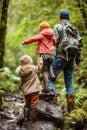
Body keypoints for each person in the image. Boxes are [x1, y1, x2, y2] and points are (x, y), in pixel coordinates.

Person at [48, 9, 83, 112]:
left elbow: (54, 42)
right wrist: (76, 62)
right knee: (69, 83)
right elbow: (79, 46)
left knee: (51, 79)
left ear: (60, 17)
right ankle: (71, 109)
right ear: (68, 18)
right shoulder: (74, 29)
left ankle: (53, 108)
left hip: (59, 57)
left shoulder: (57, 27)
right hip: (71, 59)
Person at [22, 22, 56, 92]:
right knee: (49, 64)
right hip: (51, 54)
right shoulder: (52, 35)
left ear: (41, 29)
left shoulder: (42, 35)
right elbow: (55, 42)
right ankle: (52, 74)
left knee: (44, 70)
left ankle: (46, 86)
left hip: (44, 54)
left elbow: (33, 38)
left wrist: (25, 42)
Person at [16, 55, 43, 124]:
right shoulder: (33, 68)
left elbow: (21, 82)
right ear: (30, 61)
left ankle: (25, 118)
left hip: (26, 91)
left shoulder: (21, 71)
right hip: (34, 90)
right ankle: (32, 119)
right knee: (34, 104)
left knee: (27, 104)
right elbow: (40, 68)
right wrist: (40, 60)